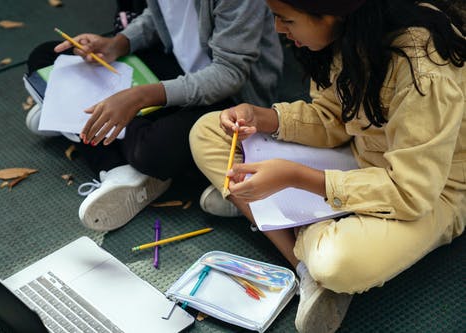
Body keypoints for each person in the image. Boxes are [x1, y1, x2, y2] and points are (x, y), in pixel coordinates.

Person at [189, 0, 465, 331]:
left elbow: (411, 191)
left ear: (332, 14)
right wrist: (265, 117)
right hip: (357, 158)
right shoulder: (351, 32)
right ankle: (304, 269)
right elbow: (334, 119)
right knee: (208, 131)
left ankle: (264, 213)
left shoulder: (425, 68)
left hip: (431, 193)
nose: (278, 29)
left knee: (334, 262)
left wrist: (294, 177)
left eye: (286, 19)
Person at [24, 0, 283, 231]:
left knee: (154, 151)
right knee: (47, 56)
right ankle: (114, 159)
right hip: (175, 67)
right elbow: (158, 16)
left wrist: (140, 97)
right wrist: (118, 43)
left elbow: (229, 74)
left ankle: (77, 123)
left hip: (232, 98)